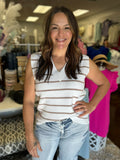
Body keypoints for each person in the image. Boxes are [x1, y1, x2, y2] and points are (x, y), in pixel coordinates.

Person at [23, 6, 110, 160]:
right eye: (55, 28)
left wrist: (92, 105)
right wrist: (29, 135)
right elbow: (29, 101)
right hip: (46, 126)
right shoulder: (35, 61)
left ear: (73, 32)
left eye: (66, 28)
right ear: (48, 31)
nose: (61, 34)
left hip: (76, 126)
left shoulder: (83, 61)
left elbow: (105, 83)